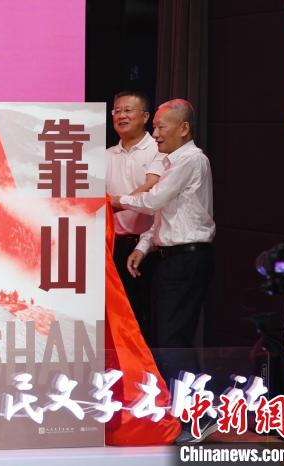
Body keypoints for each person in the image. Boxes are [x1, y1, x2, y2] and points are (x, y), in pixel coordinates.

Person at [111, 98, 215, 442]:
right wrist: (143, 247)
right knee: (167, 338)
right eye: (154, 127)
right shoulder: (174, 161)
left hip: (188, 259)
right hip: (172, 258)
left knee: (173, 340)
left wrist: (114, 201)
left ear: (183, 128)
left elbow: (153, 200)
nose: (155, 134)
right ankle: (188, 413)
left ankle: (197, 417)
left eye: (160, 127)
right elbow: (163, 216)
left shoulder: (191, 160)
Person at [105, 90, 164, 344]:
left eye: (128, 110)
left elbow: (155, 195)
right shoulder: (105, 155)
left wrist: (115, 203)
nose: (121, 116)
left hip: (149, 248)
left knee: (146, 320)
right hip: (113, 247)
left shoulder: (159, 151)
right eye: (117, 111)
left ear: (145, 117)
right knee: (116, 320)